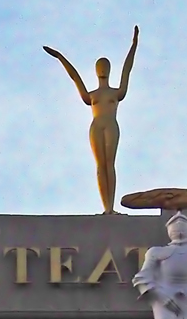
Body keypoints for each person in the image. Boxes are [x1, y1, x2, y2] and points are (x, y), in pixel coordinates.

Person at [44, 26, 138, 214]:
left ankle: (111, 209)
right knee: (100, 165)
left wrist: (134, 45)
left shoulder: (116, 92)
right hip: (96, 126)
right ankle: (106, 209)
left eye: (105, 67)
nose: (102, 70)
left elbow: (128, 68)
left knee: (109, 164)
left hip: (111, 125)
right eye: (99, 67)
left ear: (109, 71)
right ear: (96, 71)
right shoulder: (91, 95)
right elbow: (74, 77)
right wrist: (60, 57)